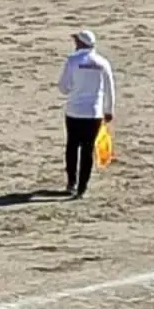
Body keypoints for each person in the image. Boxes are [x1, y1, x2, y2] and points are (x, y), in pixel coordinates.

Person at [58, 29, 116, 199]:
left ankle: (71, 182)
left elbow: (63, 87)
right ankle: (82, 187)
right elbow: (109, 89)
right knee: (87, 149)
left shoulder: (73, 61)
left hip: (74, 111)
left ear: (80, 43)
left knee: (72, 146)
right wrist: (109, 110)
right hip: (94, 113)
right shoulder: (102, 63)